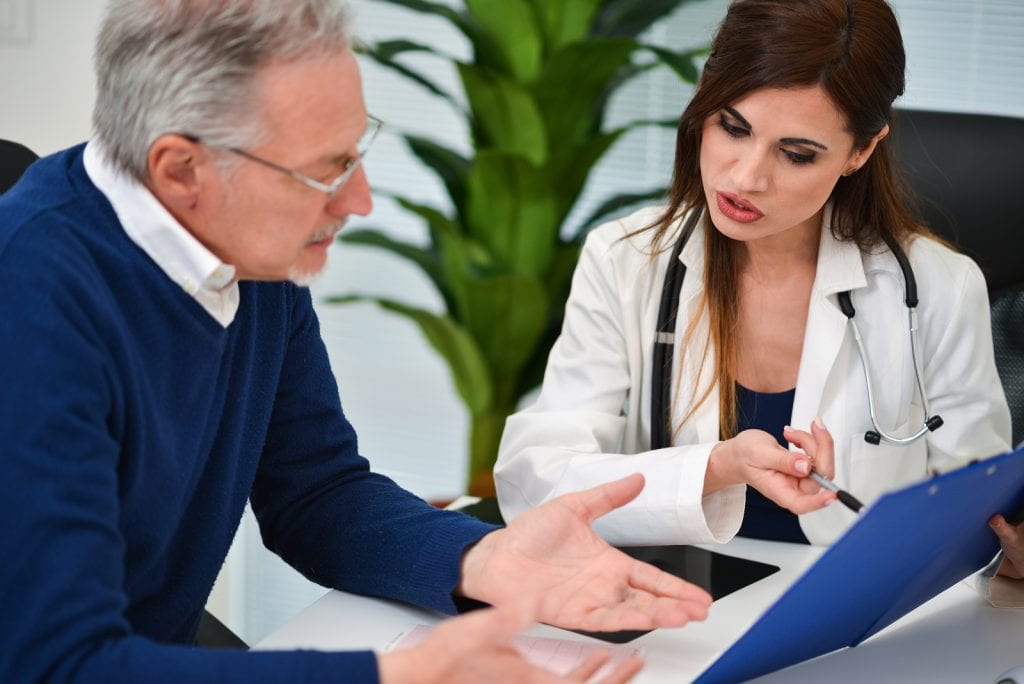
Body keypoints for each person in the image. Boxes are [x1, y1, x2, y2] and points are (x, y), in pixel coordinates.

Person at [0, 1, 716, 682]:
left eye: (355, 150)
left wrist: (484, 558)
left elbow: (316, 491)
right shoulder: (31, 303)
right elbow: (61, 665)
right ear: (182, 170)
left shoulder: (247, 252)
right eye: (324, 170)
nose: (360, 200)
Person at [494, 0, 1012, 548]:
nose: (746, 177)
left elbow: (974, 512)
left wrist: (999, 549)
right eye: (733, 127)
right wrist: (719, 465)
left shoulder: (937, 288)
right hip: (680, 603)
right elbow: (535, 485)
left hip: (854, 615)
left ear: (861, 150)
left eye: (796, 154)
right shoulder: (625, 260)